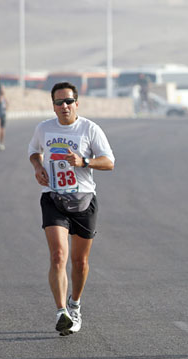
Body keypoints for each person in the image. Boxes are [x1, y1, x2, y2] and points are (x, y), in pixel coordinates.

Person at [28, 82, 115, 336]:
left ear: (77, 103)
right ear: (53, 105)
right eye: (58, 102)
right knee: (57, 256)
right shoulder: (44, 128)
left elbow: (109, 162)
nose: (64, 106)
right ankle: (61, 312)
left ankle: (74, 304)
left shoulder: (89, 129)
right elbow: (34, 151)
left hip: (83, 200)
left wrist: (84, 161)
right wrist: (38, 167)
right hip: (53, 198)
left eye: (68, 101)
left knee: (80, 262)